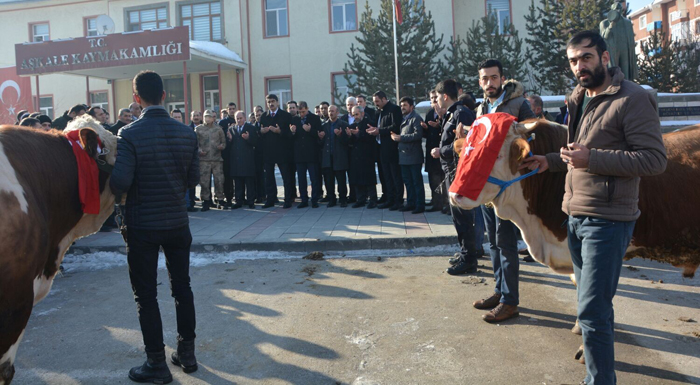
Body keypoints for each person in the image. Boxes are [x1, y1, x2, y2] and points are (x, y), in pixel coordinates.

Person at [522, 30, 666, 384]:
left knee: (591, 308)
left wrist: (593, 159)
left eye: (586, 57)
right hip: (575, 214)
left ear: (604, 57)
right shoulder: (580, 98)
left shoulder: (632, 98)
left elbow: (653, 160)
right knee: (595, 306)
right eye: (573, 60)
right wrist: (551, 161)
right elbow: (579, 153)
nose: (579, 66)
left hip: (608, 220)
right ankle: (597, 360)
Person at [110, 70, 199, 383]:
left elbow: (120, 181)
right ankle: (186, 354)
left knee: (146, 296)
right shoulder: (187, 133)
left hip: (142, 225)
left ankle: (156, 364)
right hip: (177, 222)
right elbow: (193, 181)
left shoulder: (130, 134)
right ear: (164, 96)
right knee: (182, 287)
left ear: (136, 99)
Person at [471, 59, 535, 323]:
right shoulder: (481, 107)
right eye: (484, 79)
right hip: (487, 186)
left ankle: (510, 302)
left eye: (493, 78)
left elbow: (533, 135)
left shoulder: (519, 104)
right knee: (494, 241)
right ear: (480, 82)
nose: (489, 83)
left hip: (508, 186)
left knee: (506, 242)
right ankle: (499, 291)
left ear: (502, 78)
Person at [432, 79, 480, 276]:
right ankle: (465, 253)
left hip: (459, 173)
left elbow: (466, 145)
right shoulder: (453, 113)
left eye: (436, 97)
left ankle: (469, 259)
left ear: (444, 96)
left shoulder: (461, 113)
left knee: (463, 218)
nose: (435, 101)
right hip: (453, 172)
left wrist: (440, 150)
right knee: (458, 218)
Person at [368, 91, 403, 210]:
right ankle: (390, 198)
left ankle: (398, 200)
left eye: (377, 101)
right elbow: (377, 126)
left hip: (392, 148)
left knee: (395, 176)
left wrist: (379, 131)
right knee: (386, 176)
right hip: (381, 148)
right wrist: (373, 129)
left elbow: (395, 126)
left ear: (384, 99)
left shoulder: (394, 109)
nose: (376, 104)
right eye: (374, 102)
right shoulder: (379, 112)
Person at [259, 94, 295, 208]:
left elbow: (290, 134)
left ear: (277, 102)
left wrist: (279, 131)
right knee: (269, 178)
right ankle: (271, 199)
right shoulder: (264, 116)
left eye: (273, 101)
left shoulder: (285, 115)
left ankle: (288, 199)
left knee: (286, 177)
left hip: (282, 152)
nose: (271, 104)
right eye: (268, 102)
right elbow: (259, 133)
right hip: (268, 152)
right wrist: (262, 131)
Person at [392, 96, 424, 213]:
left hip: (413, 156)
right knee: (408, 182)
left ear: (411, 106)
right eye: (401, 106)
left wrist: (401, 138)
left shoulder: (416, 118)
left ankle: (419, 205)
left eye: (405, 105)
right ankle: (410, 203)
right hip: (404, 156)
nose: (402, 108)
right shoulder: (403, 118)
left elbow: (417, 135)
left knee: (416, 182)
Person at [291, 101, 322, 208]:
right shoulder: (295, 119)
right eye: (300, 112)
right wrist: (293, 132)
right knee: (301, 178)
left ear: (307, 109)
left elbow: (319, 135)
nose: (302, 114)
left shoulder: (315, 118)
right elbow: (291, 138)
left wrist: (310, 130)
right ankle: (304, 199)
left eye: (303, 112)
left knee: (314, 178)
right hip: (299, 154)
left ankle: (314, 199)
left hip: (311, 153)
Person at [347, 106, 378, 208]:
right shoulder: (352, 125)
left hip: (367, 155)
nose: (355, 116)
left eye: (357, 114)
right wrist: (349, 135)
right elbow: (350, 143)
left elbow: (370, 138)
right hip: (356, 156)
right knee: (357, 178)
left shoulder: (369, 123)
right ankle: (361, 199)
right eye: (353, 114)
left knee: (369, 179)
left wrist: (359, 133)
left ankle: (373, 199)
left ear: (362, 114)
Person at [195, 110, 226, 211]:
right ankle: (206, 200)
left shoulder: (218, 129)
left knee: (219, 180)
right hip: (204, 160)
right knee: (204, 182)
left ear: (213, 118)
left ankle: (220, 199)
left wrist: (222, 146)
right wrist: (199, 150)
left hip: (217, 160)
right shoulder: (198, 129)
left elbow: (224, 142)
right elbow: (196, 144)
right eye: (205, 117)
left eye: (209, 117)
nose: (207, 119)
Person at [226, 111, 258, 209]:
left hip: (247, 160)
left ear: (244, 118)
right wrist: (229, 140)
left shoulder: (251, 128)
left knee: (249, 182)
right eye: (237, 118)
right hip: (236, 160)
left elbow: (256, 142)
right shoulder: (231, 129)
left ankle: (250, 201)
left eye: (240, 118)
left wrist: (249, 138)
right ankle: (239, 200)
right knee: (238, 183)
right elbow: (228, 146)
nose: (239, 120)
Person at [319, 105, 350, 207]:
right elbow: (320, 144)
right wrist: (321, 138)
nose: (331, 113)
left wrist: (340, 135)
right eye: (329, 111)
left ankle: (343, 199)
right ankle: (332, 199)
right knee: (329, 180)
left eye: (332, 111)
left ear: (337, 112)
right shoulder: (324, 125)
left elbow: (347, 142)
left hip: (339, 156)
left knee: (341, 180)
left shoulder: (343, 124)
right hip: (328, 157)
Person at [422, 90, 445, 212]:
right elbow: (427, 134)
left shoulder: (445, 112)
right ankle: (436, 202)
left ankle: (446, 204)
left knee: (444, 180)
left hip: (442, 151)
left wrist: (439, 124)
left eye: (436, 97)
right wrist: (425, 128)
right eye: (432, 98)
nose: (434, 100)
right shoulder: (430, 113)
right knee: (433, 180)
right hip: (431, 151)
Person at [220, 102, 239, 208]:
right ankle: (228, 198)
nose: (232, 110)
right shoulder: (223, 122)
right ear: (227, 110)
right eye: (230, 109)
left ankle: (239, 197)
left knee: (237, 177)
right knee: (227, 178)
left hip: (236, 153)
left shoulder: (238, 120)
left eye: (233, 108)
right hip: (226, 154)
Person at [341, 96, 358, 203]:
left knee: (356, 174)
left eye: (352, 104)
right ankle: (350, 196)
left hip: (357, 151)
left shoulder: (360, 117)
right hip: (345, 151)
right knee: (347, 175)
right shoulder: (342, 119)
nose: (350, 106)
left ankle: (358, 195)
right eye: (348, 104)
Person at [253, 107, 266, 203]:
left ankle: (268, 195)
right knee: (257, 176)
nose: (258, 117)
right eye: (256, 115)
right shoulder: (252, 127)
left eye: (260, 115)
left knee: (266, 176)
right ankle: (259, 195)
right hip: (256, 155)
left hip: (265, 154)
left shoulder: (266, 125)